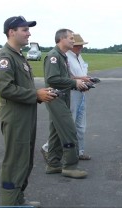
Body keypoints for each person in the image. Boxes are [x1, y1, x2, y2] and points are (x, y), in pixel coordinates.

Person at [0, 15, 56, 206]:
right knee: (15, 161)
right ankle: (9, 202)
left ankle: (18, 199)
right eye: (25, 30)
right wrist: (36, 95)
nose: (29, 33)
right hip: (15, 117)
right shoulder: (5, 57)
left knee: (25, 159)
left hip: (26, 115)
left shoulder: (18, 56)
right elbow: (5, 88)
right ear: (12, 32)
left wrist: (41, 93)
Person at [44, 29, 88, 179]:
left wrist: (77, 83)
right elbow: (52, 79)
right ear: (61, 39)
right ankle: (70, 166)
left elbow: (63, 78)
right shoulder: (53, 57)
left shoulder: (61, 56)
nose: (73, 41)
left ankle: (53, 164)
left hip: (62, 97)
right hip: (56, 98)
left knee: (56, 133)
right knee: (69, 131)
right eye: (70, 38)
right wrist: (74, 82)